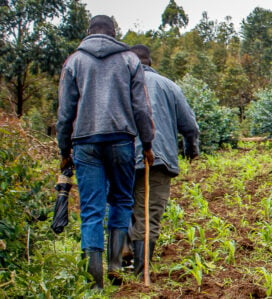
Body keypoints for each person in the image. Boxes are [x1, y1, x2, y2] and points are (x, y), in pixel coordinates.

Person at [56, 15, 155, 289]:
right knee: (122, 200)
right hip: (122, 140)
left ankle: (95, 282)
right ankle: (114, 265)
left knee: (91, 210)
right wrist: (147, 144)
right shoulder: (130, 60)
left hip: (85, 142)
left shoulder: (74, 61)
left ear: (89, 32)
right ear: (114, 33)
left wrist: (64, 149)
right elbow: (141, 109)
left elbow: (64, 114)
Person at [126, 44, 200, 276]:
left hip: (121, 157)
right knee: (148, 214)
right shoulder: (169, 86)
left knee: (121, 208)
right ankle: (141, 272)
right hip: (158, 160)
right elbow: (189, 126)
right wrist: (191, 150)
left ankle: (122, 259)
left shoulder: (118, 84)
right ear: (150, 62)